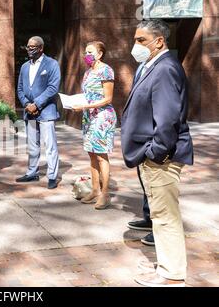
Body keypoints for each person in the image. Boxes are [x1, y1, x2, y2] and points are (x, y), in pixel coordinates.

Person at [121, 20, 194, 287]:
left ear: (159, 41)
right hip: (153, 156)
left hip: (161, 159)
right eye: (135, 39)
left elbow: (167, 121)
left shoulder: (165, 69)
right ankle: (166, 266)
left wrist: (155, 154)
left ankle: (172, 275)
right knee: (161, 217)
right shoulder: (152, 66)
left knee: (165, 218)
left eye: (141, 40)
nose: (135, 45)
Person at [71, 41, 117, 210]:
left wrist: (86, 106)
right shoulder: (88, 72)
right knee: (91, 154)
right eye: (85, 52)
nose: (86, 55)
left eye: (90, 52)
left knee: (101, 155)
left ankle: (105, 194)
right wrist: (77, 104)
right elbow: (87, 95)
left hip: (103, 117)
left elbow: (108, 98)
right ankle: (95, 190)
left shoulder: (106, 70)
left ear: (99, 54)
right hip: (89, 117)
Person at [16, 36, 61, 189]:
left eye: (33, 47)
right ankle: (32, 173)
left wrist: (37, 104)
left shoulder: (52, 64)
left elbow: (53, 88)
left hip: (46, 112)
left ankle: (52, 176)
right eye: (28, 47)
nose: (29, 49)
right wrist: (27, 104)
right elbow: (20, 89)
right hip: (29, 112)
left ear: (41, 48)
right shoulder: (24, 67)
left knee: (50, 145)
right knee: (32, 145)